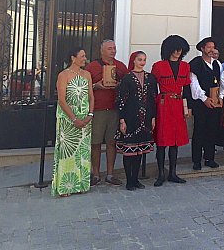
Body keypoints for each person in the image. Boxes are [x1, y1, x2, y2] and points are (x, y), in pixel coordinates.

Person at [52, 47, 94, 197]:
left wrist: (90, 115)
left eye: (85, 56)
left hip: (85, 119)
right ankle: (65, 186)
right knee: (67, 153)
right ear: (73, 58)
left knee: (82, 153)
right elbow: (61, 100)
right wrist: (74, 119)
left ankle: (82, 183)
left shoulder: (87, 74)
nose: (85, 59)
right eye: (82, 56)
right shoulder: (63, 75)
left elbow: (91, 96)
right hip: (68, 120)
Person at [85, 39, 128, 187]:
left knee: (112, 142)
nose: (113, 51)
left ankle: (110, 174)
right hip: (97, 110)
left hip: (114, 110)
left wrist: (120, 85)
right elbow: (83, 86)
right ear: (102, 50)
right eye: (110, 48)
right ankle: (95, 174)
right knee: (95, 143)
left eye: (114, 48)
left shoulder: (121, 67)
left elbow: (128, 86)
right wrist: (96, 86)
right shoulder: (92, 67)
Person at [151, 35, 191, 186]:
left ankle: (173, 173)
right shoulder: (159, 66)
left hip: (178, 104)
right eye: (175, 49)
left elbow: (186, 89)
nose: (178, 52)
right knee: (162, 141)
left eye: (180, 49)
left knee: (175, 141)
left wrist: (187, 108)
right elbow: (153, 89)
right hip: (163, 104)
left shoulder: (185, 66)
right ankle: (161, 173)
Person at [115, 51, 156, 190]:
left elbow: (153, 99)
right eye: (139, 59)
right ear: (134, 60)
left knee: (139, 151)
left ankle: (136, 179)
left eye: (144, 59)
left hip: (145, 119)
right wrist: (122, 120)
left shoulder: (150, 78)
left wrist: (153, 117)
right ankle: (129, 181)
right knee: (130, 151)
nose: (142, 62)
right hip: (130, 118)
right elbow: (121, 101)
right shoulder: (127, 79)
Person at [188, 37, 222, 171]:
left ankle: (210, 158)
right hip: (201, 104)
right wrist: (204, 99)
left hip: (214, 102)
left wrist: (220, 96)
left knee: (212, 130)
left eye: (213, 47)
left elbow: (220, 82)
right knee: (199, 131)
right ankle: (196, 160)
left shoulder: (216, 64)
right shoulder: (195, 64)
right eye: (208, 47)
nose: (211, 50)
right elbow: (194, 84)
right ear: (202, 48)